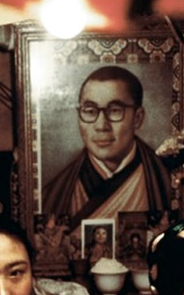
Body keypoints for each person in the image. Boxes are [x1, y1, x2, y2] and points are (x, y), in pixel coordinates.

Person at [42, 66, 171, 232]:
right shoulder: (53, 193)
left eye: (115, 111)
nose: (101, 126)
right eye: (90, 111)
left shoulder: (167, 181)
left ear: (137, 118)